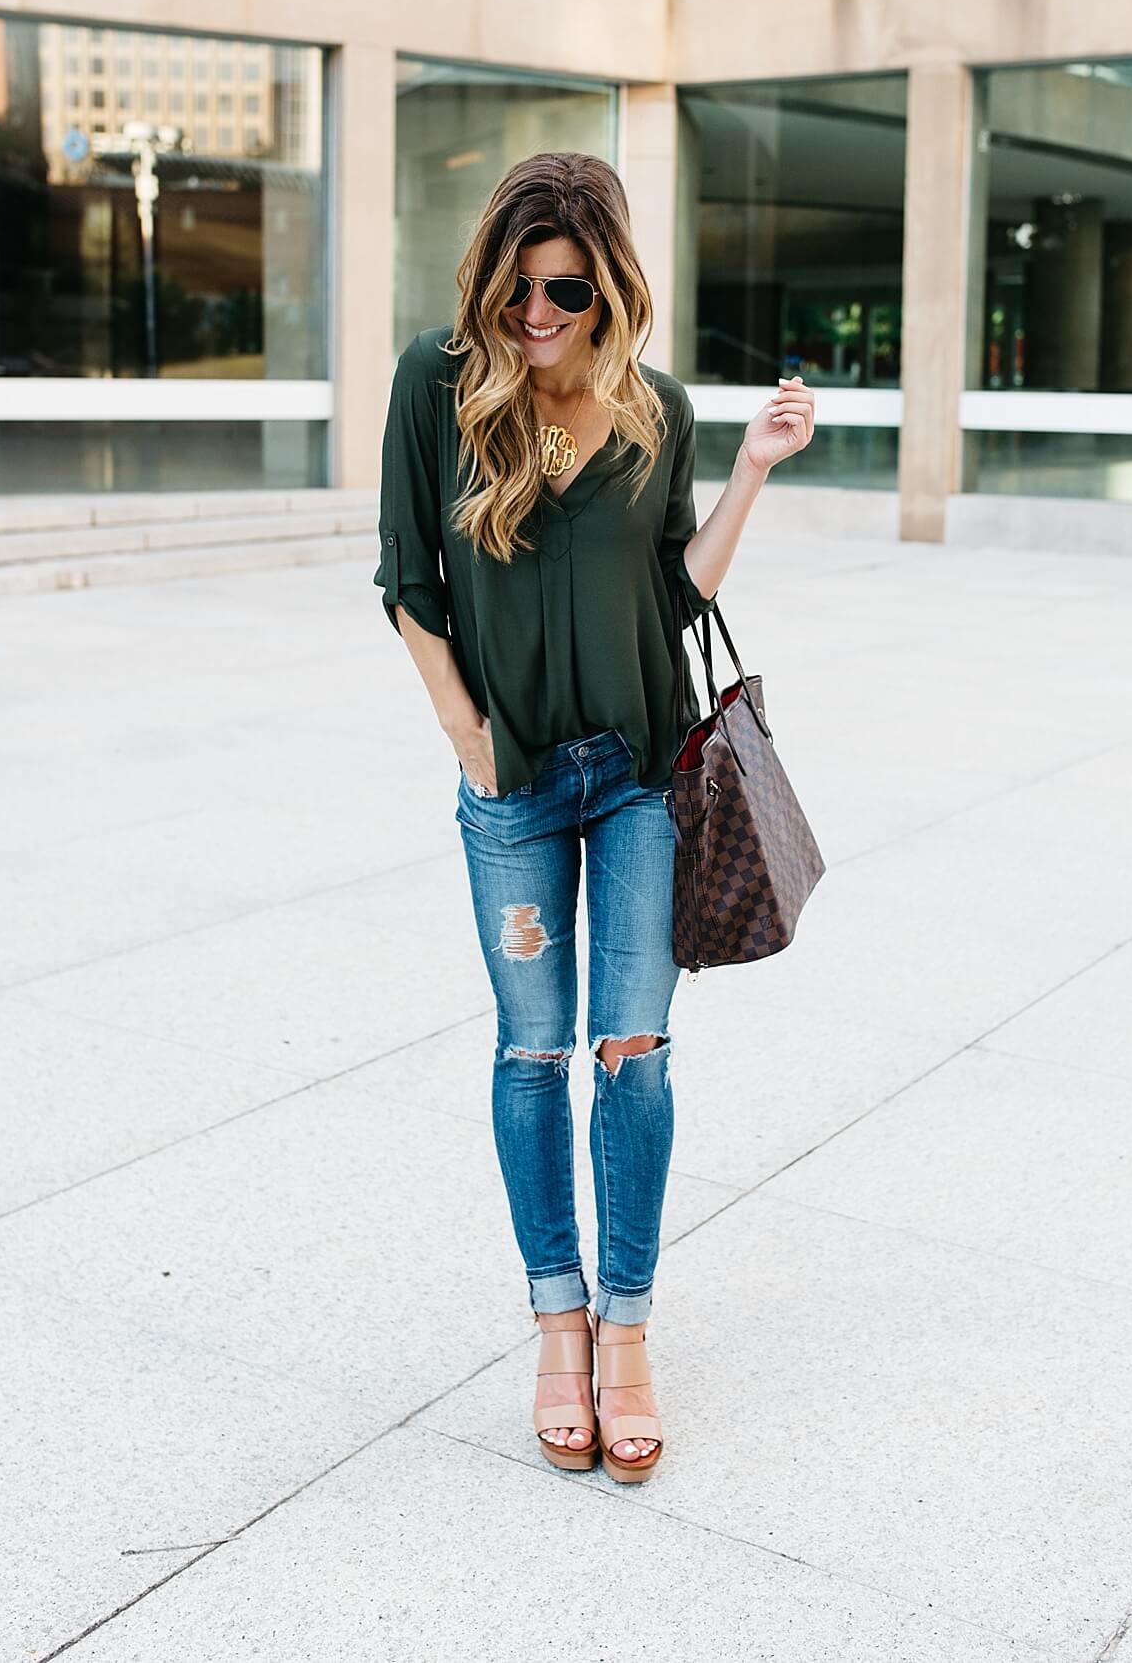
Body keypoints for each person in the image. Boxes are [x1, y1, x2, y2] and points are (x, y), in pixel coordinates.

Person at [374, 150, 814, 1481]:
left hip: (638, 774)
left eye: (565, 288)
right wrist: (472, 743)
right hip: (512, 783)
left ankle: (626, 1336)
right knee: (530, 1055)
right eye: (516, 291)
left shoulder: (654, 409)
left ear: (608, 281)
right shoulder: (436, 387)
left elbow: (674, 593)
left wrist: (750, 471)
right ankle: (553, 1327)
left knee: (637, 1051)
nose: (538, 316)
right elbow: (406, 580)